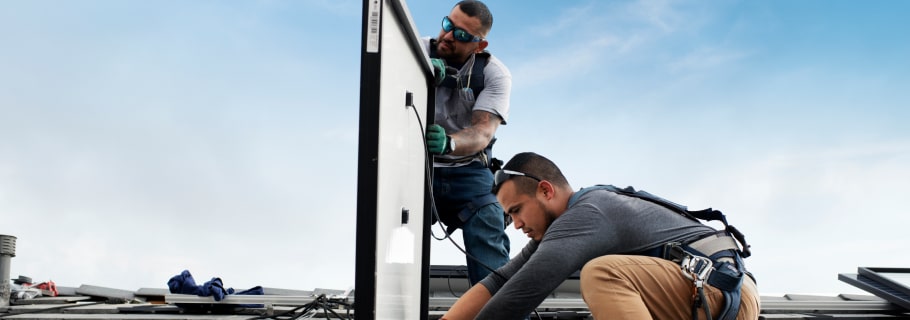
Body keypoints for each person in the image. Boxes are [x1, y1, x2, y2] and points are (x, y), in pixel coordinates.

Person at [442, 152, 760, 320]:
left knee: (602, 274)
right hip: (702, 291)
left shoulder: (587, 214)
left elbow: (520, 295)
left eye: (516, 210)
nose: (514, 224)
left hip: (719, 289)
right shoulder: (566, 227)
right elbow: (499, 281)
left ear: (545, 190)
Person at [422, 0, 513, 285]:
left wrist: (449, 143)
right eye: (448, 25)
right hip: (418, 167)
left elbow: (483, 132)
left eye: (461, 35)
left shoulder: (493, 74)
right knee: (392, 232)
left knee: (488, 223)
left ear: (479, 45)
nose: (447, 37)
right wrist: (419, 72)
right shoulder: (413, 52)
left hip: (468, 170)